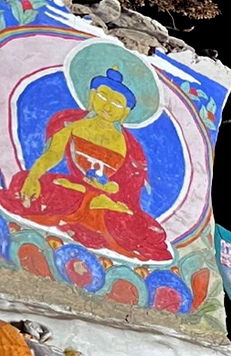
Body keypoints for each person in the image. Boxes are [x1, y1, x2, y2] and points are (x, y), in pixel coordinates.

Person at [0, 67, 170, 261]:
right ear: (91, 95)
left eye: (116, 102)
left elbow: (129, 189)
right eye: (102, 96)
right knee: (27, 184)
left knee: (137, 227)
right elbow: (52, 155)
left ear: (125, 112)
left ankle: (90, 216)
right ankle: (87, 211)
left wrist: (108, 190)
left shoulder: (132, 148)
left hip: (107, 202)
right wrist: (33, 177)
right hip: (73, 190)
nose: (107, 106)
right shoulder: (72, 124)